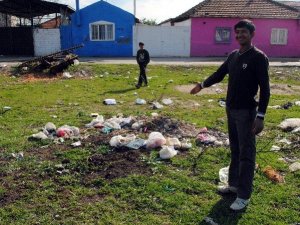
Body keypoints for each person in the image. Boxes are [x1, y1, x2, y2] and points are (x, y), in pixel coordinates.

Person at [190, 19, 270, 211]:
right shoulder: (234, 55)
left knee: (247, 153)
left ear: (252, 35)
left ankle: (244, 195)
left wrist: (260, 116)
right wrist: (202, 85)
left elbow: (265, 89)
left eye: (243, 32)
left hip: (247, 112)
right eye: (237, 32)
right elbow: (219, 73)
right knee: (235, 149)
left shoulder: (258, 57)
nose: (239, 35)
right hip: (231, 110)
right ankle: (234, 185)